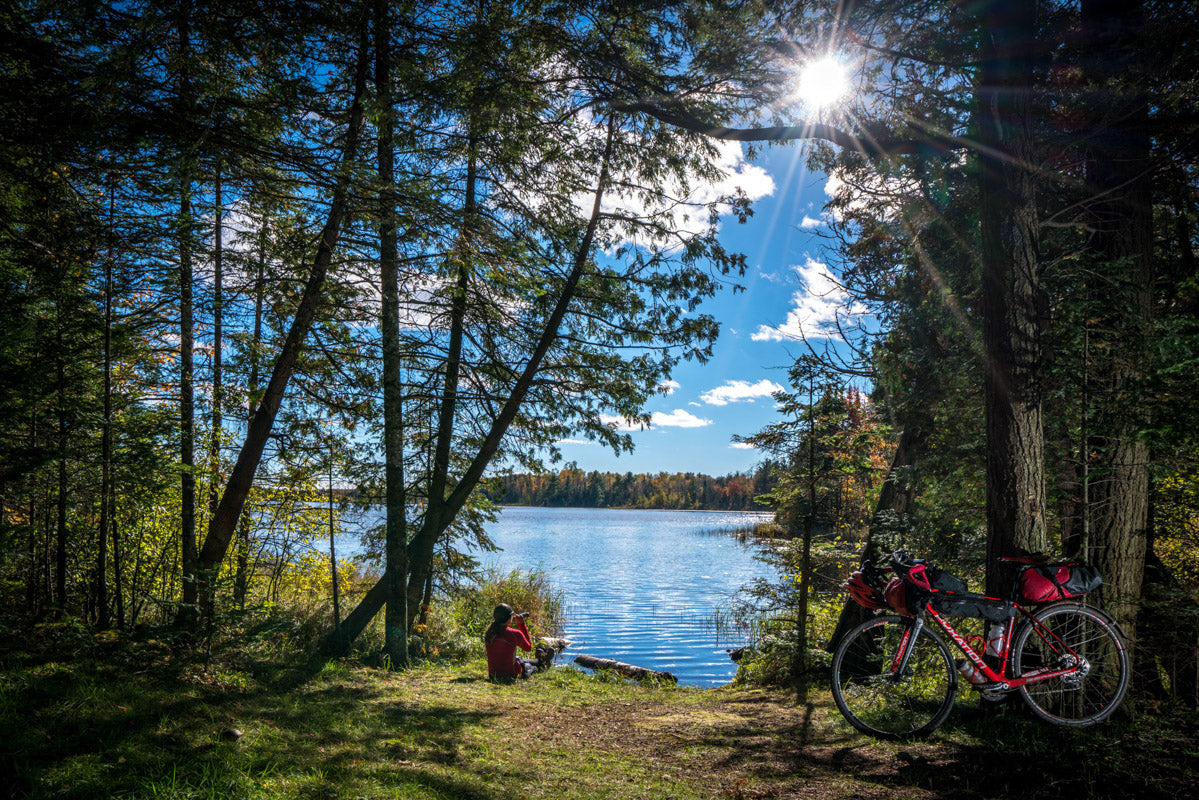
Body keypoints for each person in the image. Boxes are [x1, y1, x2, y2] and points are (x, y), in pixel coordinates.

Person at [484, 603, 538, 681]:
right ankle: (540, 662)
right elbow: (528, 647)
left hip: (493, 675)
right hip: (511, 675)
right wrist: (521, 624)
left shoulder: (489, 632)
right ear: (509, 618)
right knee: (530, 666)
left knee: (519, 659)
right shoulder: (514, 634)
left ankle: (539, 660)